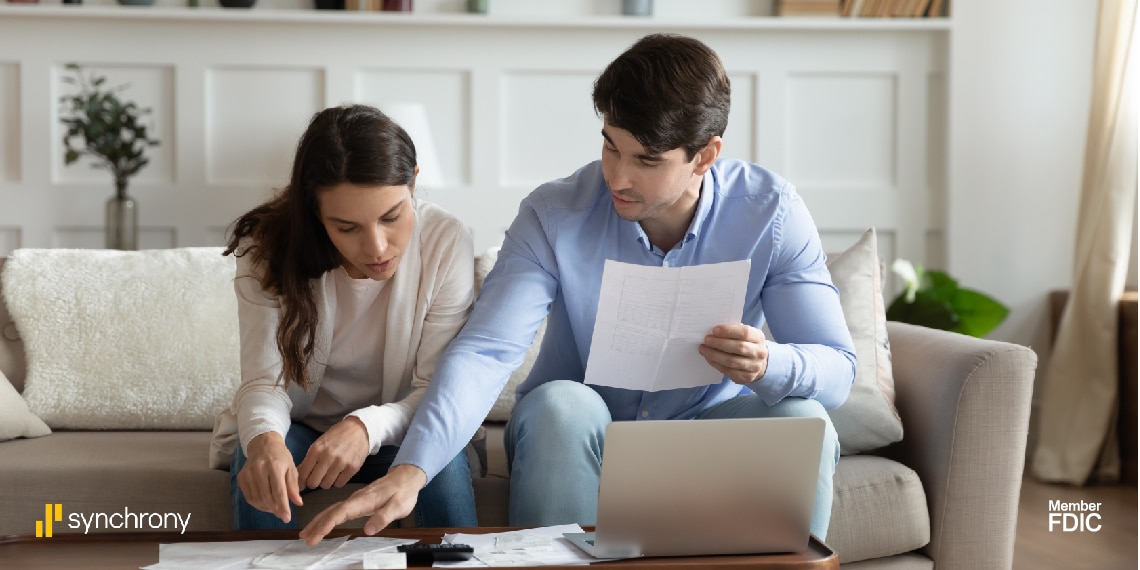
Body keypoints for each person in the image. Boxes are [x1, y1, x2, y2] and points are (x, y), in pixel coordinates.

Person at [300, 34, 856, 544]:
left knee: (805, 419)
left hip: (709, 433)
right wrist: (410, 471)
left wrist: (769, 363)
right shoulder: (554, 212)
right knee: (560, 407)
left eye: (646, 160)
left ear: (705, 156)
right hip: (576, 434)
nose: (617, 176)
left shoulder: (771, 213)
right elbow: (487, 351)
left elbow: (836, 370)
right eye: (611, 146)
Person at [208, 104, 478, 530]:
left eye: (392, 217)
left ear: (413, 183)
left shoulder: (446, 240)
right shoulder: (267, 249)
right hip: (301, 428)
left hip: (403, 432)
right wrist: (265, 441)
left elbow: (437, 390)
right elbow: (265, 382)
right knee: (260, 463)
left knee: (439, 467)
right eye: (347, 228)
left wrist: (363, 427)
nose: (376, 248)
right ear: (316, 214)